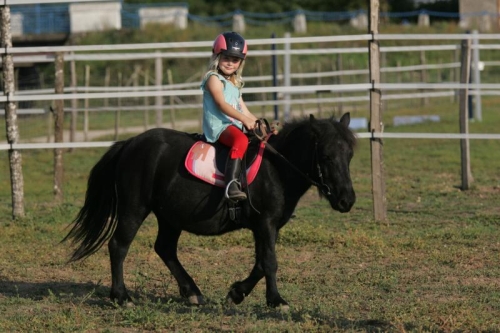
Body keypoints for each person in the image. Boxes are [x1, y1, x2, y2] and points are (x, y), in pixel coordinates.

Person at [200, 31, 259, 202]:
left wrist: (260, 124)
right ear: (217, 56)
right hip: (219, 126)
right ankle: (231, 184)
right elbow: (221, 104)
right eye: (226, 58)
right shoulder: (213, 79)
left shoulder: (235, 84)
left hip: (233, 125)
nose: (230, 63)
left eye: (235, 60)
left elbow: (244, 110)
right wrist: (244, 119)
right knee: (240, 140)